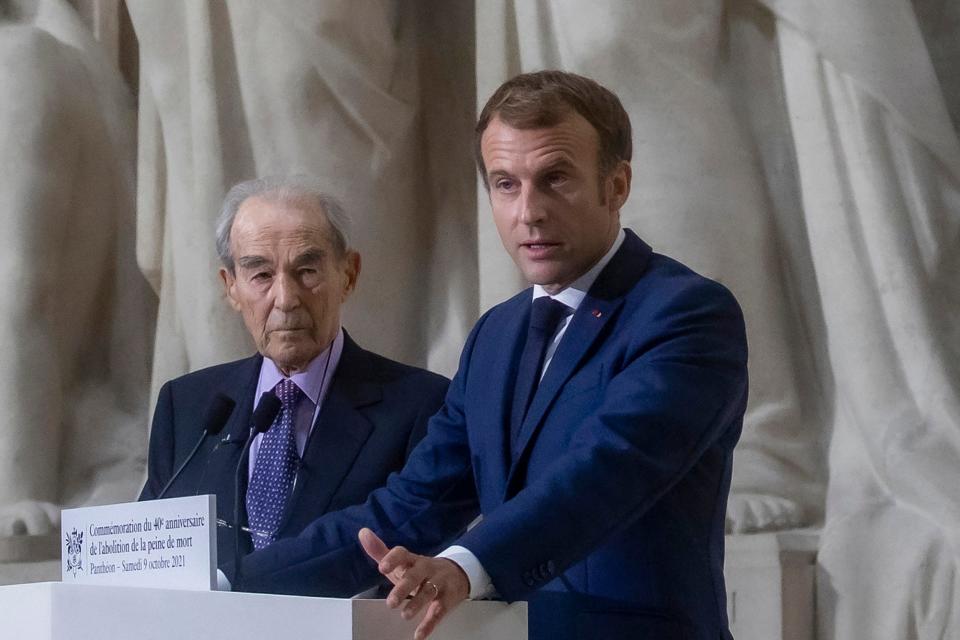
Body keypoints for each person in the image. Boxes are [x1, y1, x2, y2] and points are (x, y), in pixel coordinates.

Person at [237, 72, 748, 640]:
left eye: (555, 179)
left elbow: (602, 473)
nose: (528, 211)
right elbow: (406, 509)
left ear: (617, 184)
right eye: (506, 184)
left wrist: (462, 566)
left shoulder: (687, 313)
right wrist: (227, 582)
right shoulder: (495, 336)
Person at [140, 176, 449, 572]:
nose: (285, 299)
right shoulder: (186, 407)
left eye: (306, 271)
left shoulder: (420, 405)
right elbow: (149, 559)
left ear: (348, 274)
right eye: (261, 275)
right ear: (231, 286)